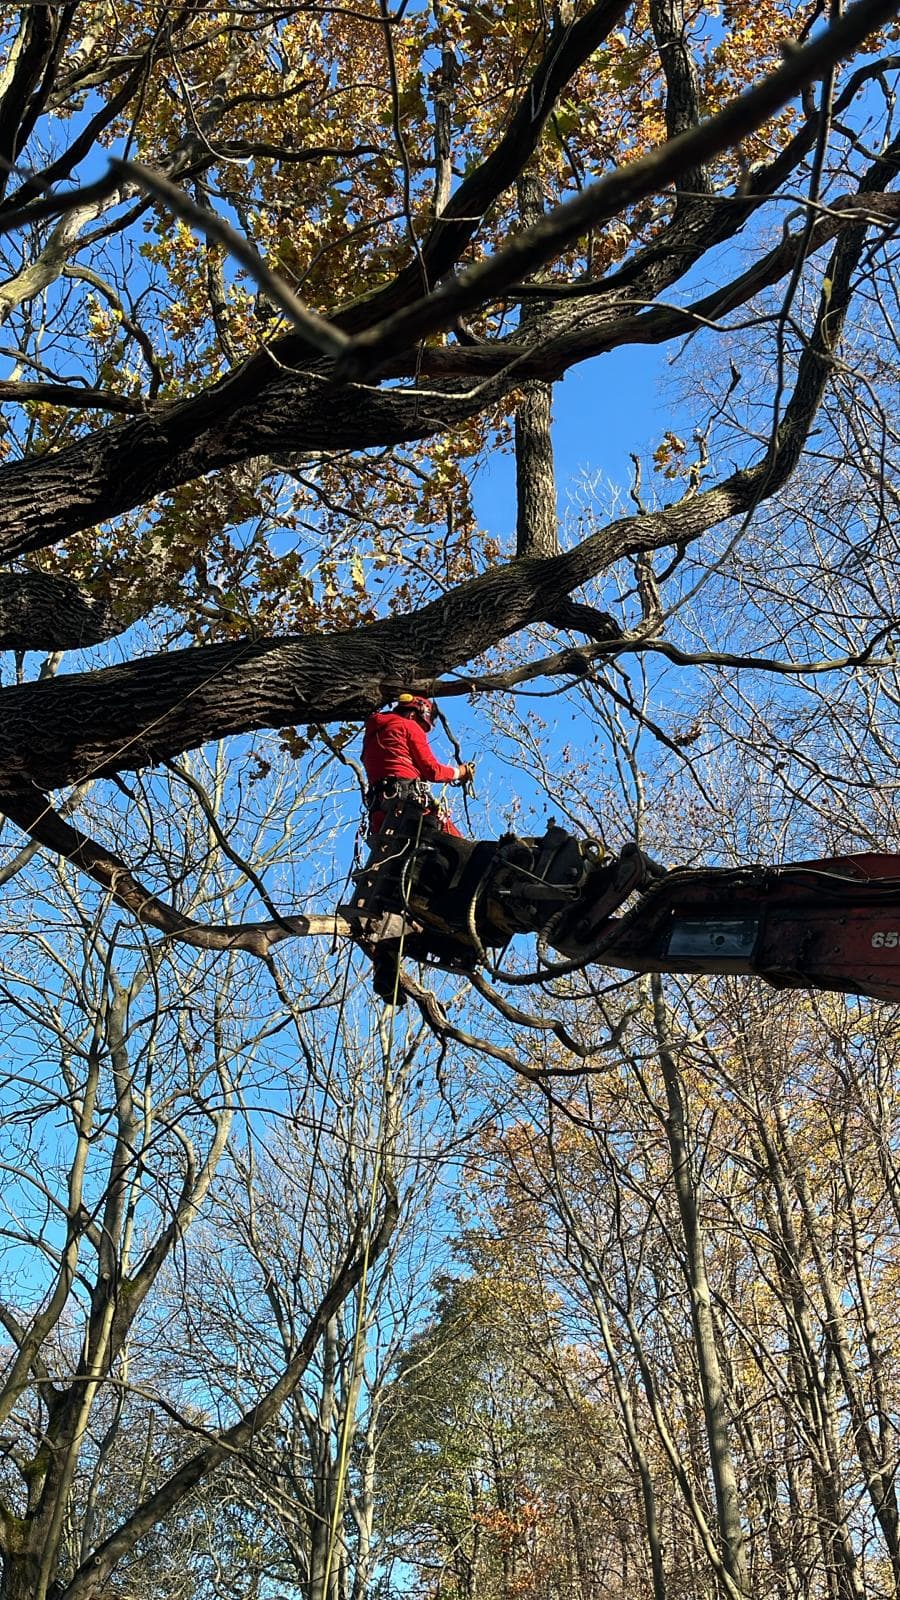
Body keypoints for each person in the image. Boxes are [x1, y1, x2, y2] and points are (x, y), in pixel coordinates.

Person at [361, 694, 473, 838]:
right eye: (422, 725)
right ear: (413, 714)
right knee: (454, 842)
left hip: (379, 810)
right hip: (407, 801)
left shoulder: (372, 734)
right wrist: (461, 772)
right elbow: (433, 771)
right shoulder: (408, 725)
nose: (421, 730)